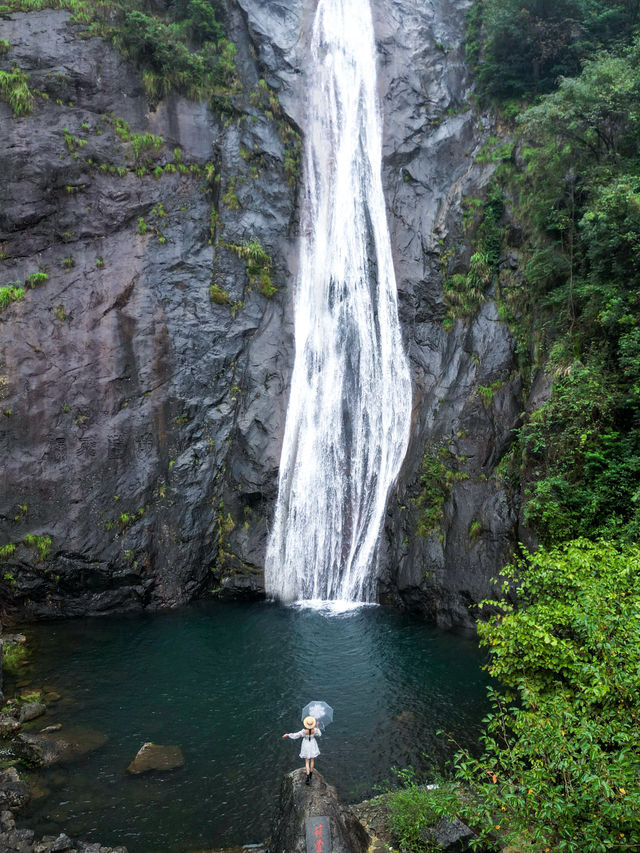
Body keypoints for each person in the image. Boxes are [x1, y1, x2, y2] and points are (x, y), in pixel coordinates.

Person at [282, 715, 321, 785]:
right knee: (312, 760)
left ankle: (308, 778)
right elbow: (319, 734)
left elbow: (295, 735)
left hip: (306, 744)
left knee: (306, 762)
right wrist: (317, 727)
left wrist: (288, 735)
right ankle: (311, 775)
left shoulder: (303, 731)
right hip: (312, 744)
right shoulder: (314, 730)